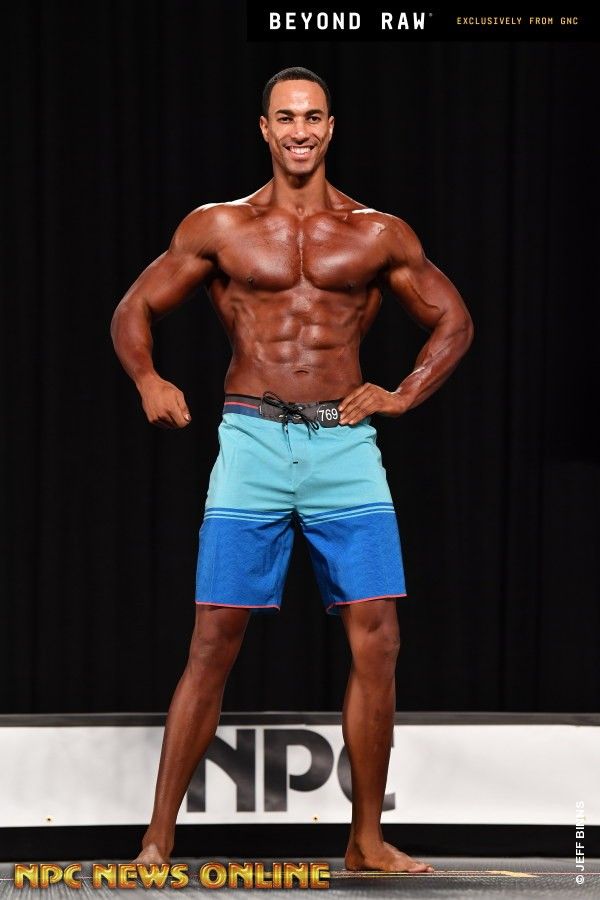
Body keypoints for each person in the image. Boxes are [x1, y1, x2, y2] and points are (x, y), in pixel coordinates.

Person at [110, 66, 473, 873]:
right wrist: (147, 378)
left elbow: (453, 319)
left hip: (344, 445)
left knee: (378, 638)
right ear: (265, 129)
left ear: (330, 128)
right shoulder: (219, 226)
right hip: (253, 440)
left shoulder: (377, 233)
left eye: (312, 117)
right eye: (286, 117)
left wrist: (404, 393)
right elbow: (134, 306)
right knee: (214, 637)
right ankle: (157, 838)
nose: (300, 131)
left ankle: (365, 840)